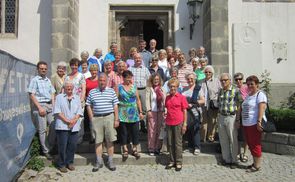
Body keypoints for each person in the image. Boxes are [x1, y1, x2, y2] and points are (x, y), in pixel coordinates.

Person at [86, 73, 120, 172]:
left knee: (110, 140)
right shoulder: (92, 92)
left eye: (104, 80)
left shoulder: (111, 91)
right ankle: (99, 161)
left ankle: (110, 161)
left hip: (109, 117)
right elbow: (88, 105)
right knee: (98, 141)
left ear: (107, 81)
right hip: (97, 118)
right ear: (98, 81)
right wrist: (91, 118)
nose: (102, 82)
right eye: (100, 80)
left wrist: (116, 119)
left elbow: (115, 106)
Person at [27, 61, 55, 160]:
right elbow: (31, 94)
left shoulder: (48, 80)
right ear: (38, 69)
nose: (43, 70)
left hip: (49, 105)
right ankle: (45, 151)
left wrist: (53, 105)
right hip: (41, 105)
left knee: (53, 125)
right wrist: (39, 108)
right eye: (41, 68)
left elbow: (52, 93)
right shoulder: (35, 80)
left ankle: (50, 146)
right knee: (42, 130)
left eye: (45, 69)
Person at [54, 81, 83, 173]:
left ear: (73, 88)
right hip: (62, 126)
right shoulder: (59, 97)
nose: (69, 88)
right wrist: (67, 121)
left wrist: (73, 121)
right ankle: (61, 164)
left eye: (71, 86)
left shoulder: (77, 98)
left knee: (72, 146)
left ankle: (69, 162)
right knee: (62, 146)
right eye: (67, 86)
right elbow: (57, 111)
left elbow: (79, 111)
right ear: (64, 88)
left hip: (74, 126)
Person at [241, 75, 267, 172]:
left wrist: (259, 121)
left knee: (255, 144)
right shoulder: (249, 95)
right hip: (247, 123)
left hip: (254, 123)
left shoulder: (260, 94)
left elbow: (262, 108)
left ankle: (257, 166)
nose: (250, 86)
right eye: (248, 84)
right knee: (250, 144)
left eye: (252, 84)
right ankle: (255, 162)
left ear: (257, 84)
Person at [118, 70, 144, 161]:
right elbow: (116, 100)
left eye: (130, 77)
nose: (129, 80)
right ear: (123, 78)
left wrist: (140, 112)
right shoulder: (119, 87)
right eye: (127, 78)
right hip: (123, 111)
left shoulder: (134, 87)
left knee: (135, 131)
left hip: (133, 112)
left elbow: (138, 100)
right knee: (124, 132)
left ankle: (134, 149)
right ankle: (125, 149)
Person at [217, 73, 242, 169]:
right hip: (221, 117)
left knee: (233, 139)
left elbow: (239, 106)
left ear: (230, 80)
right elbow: (219, 103)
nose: (223, 82)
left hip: (232, 117)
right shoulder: (220, 91)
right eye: (222, 80)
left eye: (225, 80)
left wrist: (238, 120)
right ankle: (227, 160)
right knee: (223, 140)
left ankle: (234, 160)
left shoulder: (236, 90)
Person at [165, 78, 188, 171]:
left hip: (179, 122)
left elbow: (184, 111)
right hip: (169, 122)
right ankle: (172, 161)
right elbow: (166, 108)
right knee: (170, 143)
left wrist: (185, 124)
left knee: (178, 143)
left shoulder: (182, 97)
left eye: (174, 86)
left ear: (177, 87)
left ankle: (178, 162)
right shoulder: (167, 97)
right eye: (171, 86)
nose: (172, 88)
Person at [181, 73, 205, 155]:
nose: (190, 80)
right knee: (188, 128)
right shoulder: (184, 89)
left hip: (195, 111)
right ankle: (190, 146)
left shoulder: (198, 88)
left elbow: (203, 100)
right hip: (186, 111)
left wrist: (193, 104)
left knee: (195, 128)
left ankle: (197, 147)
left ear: (195, 79)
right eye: (188, 79)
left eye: (191, 78)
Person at [128, 53, 151, 133]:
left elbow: (149, 81)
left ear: (141, 59)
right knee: (135, 108)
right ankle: (137, 127)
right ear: (133, 59)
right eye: (136, 58)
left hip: (144, 90)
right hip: (134, 90)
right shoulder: (130, 69)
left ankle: (144, 126)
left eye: (139, 58)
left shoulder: (145, 69)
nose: (138, 59)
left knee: (144, 108)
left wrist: (148, 91)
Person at [200, 65, 221, 142]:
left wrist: (217, 101)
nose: (208, 73)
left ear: (212, 73)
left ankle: (211, 137)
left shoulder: (216, 81)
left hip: (213, 104)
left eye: (209, 72)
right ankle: (203, 138)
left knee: (212, 121)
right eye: (206, 72)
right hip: (204, 104)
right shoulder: (201, 82)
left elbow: (220, 92)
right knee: (203, 122)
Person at [146, 73, 166, 156]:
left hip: (160, 111)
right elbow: (147, 100)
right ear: (152, 80)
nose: (156, 81)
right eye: (155, 79)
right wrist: (148, 110)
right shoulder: (149, 89)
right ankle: (151, 148)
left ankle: (157, 148)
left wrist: (165, 110)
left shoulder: (162, 89)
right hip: (153, 111)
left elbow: (165, 100)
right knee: (152, 130)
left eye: (157, 79)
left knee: (159, 130)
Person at [234, 72, 249, 163]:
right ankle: (238, 153)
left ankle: (246, 153)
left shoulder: (247, 88)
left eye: (240, 79)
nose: (238, 81)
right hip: (235, 114)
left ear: (243, 79)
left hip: (245, 114)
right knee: (237, 134)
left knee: (245, 135)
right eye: (236, 79)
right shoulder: (234, 89)